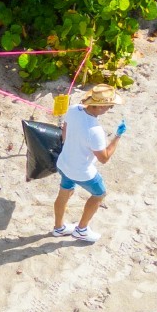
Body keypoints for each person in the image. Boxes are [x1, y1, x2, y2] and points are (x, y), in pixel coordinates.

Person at [51, 85, 126, 244]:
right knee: (99, 194)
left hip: (64, 162)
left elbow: (65, 131)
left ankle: (58, 228)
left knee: (64, 192)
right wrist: (117, 137)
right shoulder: (95, 130)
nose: (110, 108)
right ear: (99, 106)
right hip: (81, 171)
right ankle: (82, 229)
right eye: (109, 105)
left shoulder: (73, 109)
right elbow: (104, 158)